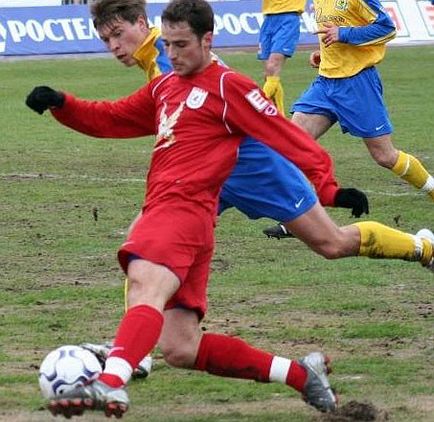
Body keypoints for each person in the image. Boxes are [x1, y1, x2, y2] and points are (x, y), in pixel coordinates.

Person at [26, 0, 433, 418]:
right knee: (164, 306)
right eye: (105, 39)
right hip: (202, 186)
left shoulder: (218, 81)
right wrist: (63, 104)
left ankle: (422, 247)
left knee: (332, 242)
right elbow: (117, 116)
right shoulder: (164, 78)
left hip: (257, 171)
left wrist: (328, 188)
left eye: (119, 35)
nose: (115, 46)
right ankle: (137, 353)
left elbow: (283, 133)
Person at [258, 0, 306, 115]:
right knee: (269, 75)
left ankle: (255, 108)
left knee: (272, 66)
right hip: (268, 18)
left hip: (288, 17)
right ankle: (280, 118)